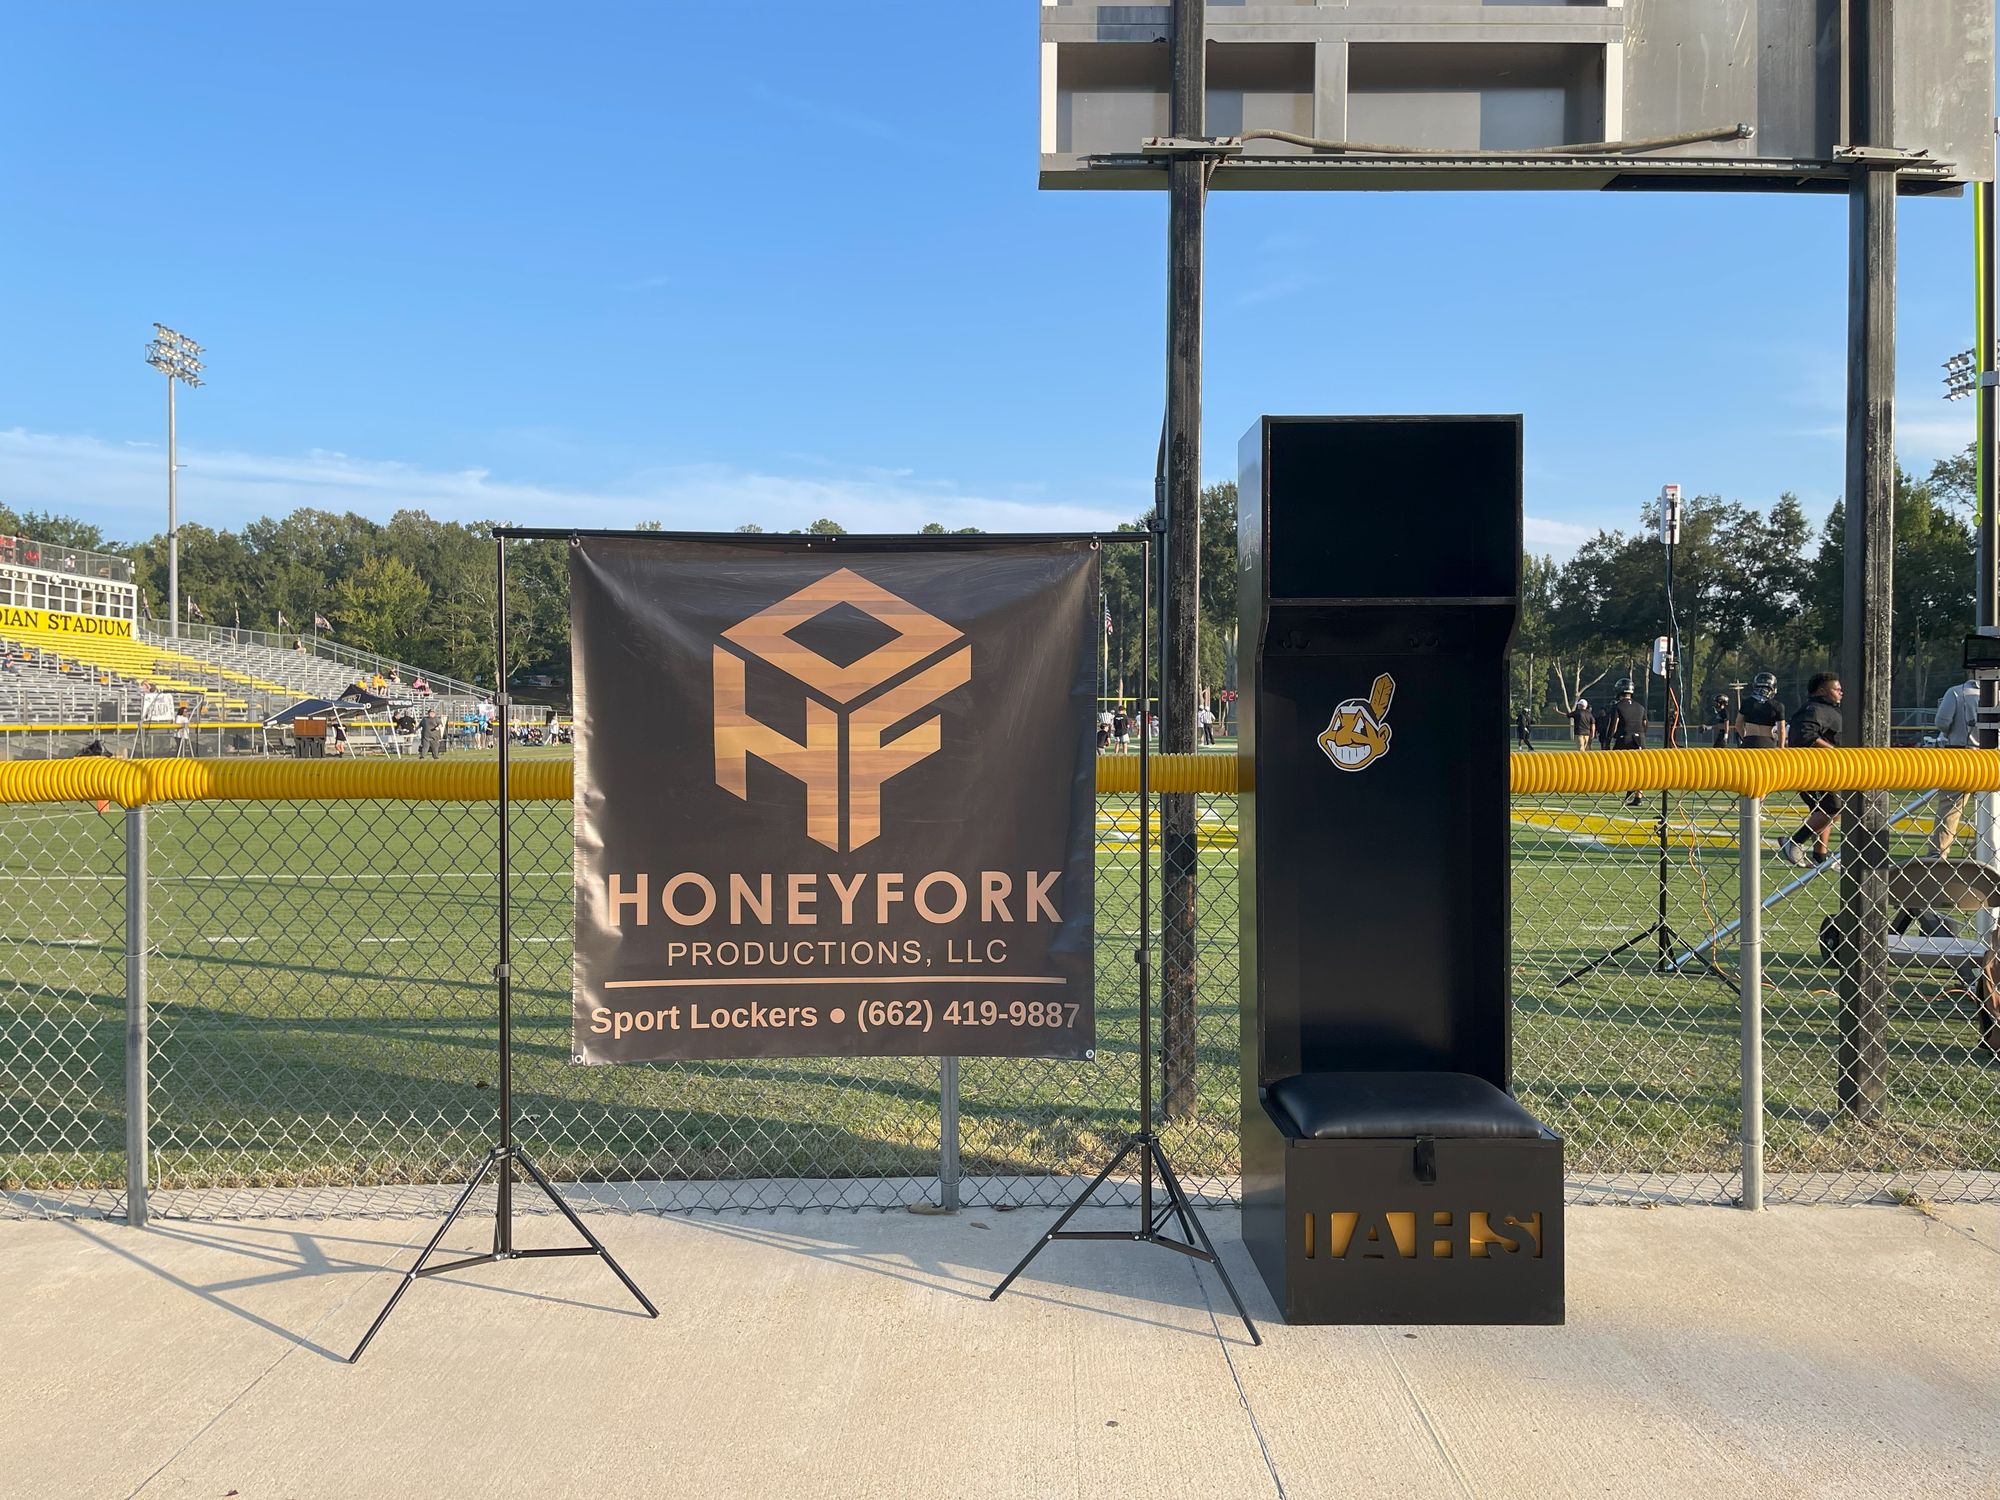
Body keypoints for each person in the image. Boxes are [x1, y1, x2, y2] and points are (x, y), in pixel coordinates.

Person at [1778, 672, 1845, 867]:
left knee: (1826, 811)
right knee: (1832, 808)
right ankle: (1794, 842)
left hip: (1831, 771)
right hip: (1814, 770)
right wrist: (1835, 752)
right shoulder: (1811, 710)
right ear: (1822, 690)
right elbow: (1804, 736)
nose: (1841, 692)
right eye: (1836, 688)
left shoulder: (1832, 710)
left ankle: (1819, 858)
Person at [1928, 670, 1979, 857]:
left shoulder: (1957, 692)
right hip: (1992, 758)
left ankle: (1938, 853)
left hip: (1960, 755)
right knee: (1991, 809)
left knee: (1950, 808)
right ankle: (1982, 850)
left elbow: (1942, 722)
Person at [1610, 679, 1648, 806]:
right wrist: (1642, 735)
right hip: (1640, 740)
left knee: (1621, 766)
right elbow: (1645, 723)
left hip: (1624, 738)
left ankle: (1630, 789)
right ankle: (1638, 797)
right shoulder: (1640, 707)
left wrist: (1608, 740)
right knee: (1639, 768)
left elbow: (1614, 724)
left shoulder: (1618, 706)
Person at [1736, 672, 1786, 749]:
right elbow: (1781, 729)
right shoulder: (1778, 705)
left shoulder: (1746, 702)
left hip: (1749, 742)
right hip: (1767, 743)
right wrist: (1781, 747)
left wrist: (1746, 739)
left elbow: (1738, 725)